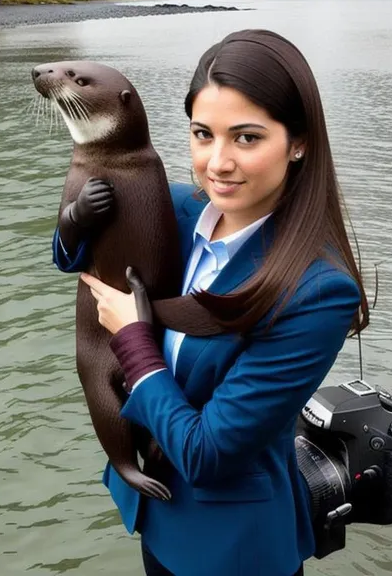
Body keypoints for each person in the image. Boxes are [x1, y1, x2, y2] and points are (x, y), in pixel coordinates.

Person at [54, 29, 369, 576]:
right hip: (155, 511)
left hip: (232, 547)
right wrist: (72, 224)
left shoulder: (319, 291)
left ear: (299, 142)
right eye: (203, 134)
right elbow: (71, 257)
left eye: (246, 138)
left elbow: (209, 453)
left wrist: (133, 337)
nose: (217, 162)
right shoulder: (172, 207)